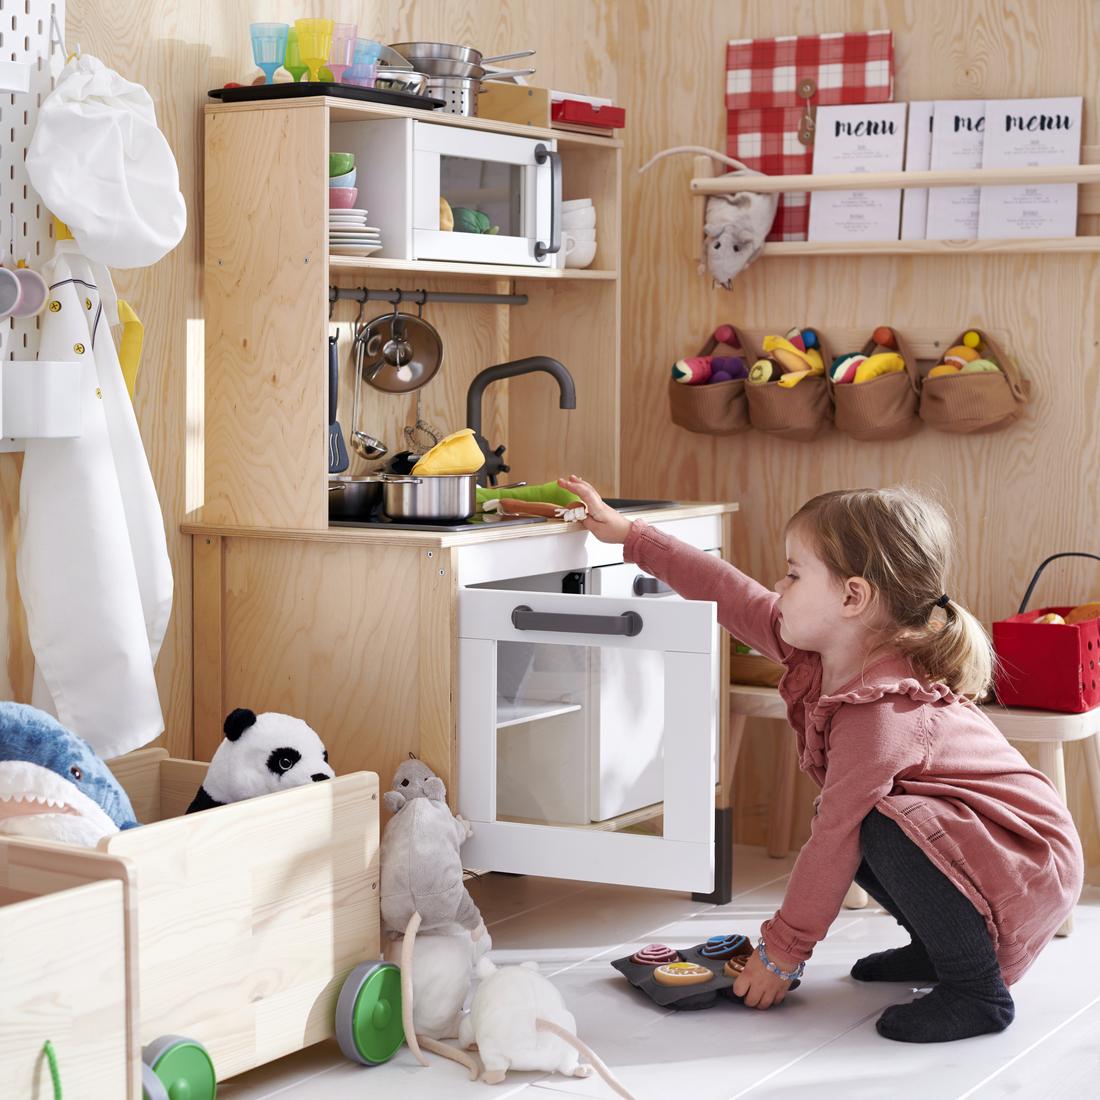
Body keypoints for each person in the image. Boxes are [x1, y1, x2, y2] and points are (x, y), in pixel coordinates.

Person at [559, 475, 1083, 1043]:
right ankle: (937, 950)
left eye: (792, 572)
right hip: (984, 854)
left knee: (865, 826)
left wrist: (782, 953)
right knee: (868, 822)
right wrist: (630, 535)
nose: (777, 586)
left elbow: (834, 839)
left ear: (852, 598)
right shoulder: (818, 647)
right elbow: (727, 593)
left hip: (1024, 864)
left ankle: (975, 989)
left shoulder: (881, 712)